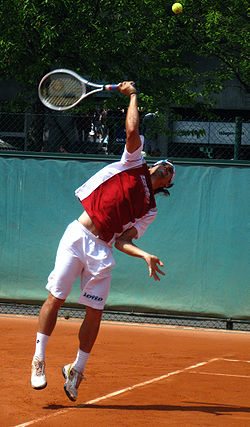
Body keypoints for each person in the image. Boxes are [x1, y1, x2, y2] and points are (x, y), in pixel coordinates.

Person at [31, 81, 175, 402]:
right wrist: (135, 95)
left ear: (167, 184)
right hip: (78, 235)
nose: (167, 168)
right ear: (153, 165)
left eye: (171, 173)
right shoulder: (132, 163)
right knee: (56, 297)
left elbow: (124, 242)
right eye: (165, 164)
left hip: (103, 250)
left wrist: (145, 256)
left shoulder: (149, 210)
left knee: (95, 313)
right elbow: (132, 128)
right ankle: (39, 357)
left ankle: (76, 371)